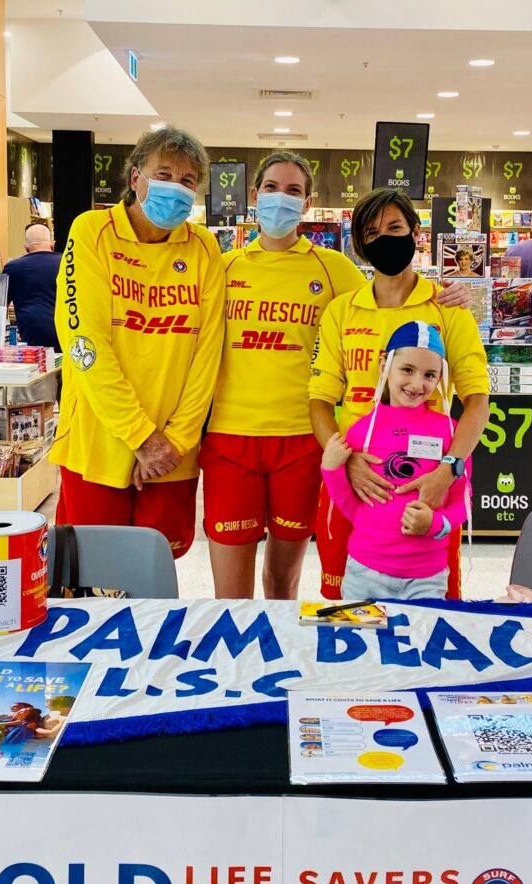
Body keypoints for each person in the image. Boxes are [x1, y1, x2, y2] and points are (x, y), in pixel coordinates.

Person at [202, 153, 476, 599]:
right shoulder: (223, 267)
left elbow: (395, 287)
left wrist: (454, 291)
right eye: (271, 188)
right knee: (242, 592)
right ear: (253, 196)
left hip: (309, 446)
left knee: (293, 583)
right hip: (242, 440)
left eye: (293, 191)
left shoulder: (336, 270)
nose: (280, 200)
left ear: (307, 203)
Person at [50, 125, 225, 559]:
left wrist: (175, 442)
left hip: (172, 453)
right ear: (135, 178)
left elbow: (208, 355)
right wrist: (142, 438)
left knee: (156, 569)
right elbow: (84, 343)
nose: (176, 187)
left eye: (187, 181)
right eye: (164, 173)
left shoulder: (204, 247)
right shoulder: (92, 231)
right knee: (91, 572)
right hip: (99, 441)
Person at [309, 186, 489, 600]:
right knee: (347, 610)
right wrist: (346, 462)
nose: (385, 239)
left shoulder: (448, 308)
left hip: (428, 488)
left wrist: (449, 470)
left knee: (433, 611)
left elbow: (477, 401)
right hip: (357, 483)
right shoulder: (341, 311)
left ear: (415, 232)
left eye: (395, 227)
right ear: (360, 245)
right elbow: (320, 399)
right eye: (372, 233)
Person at [320, 322, 469, 600]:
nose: (416, 384)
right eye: (407, 370)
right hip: (365, 573)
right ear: (384, 366)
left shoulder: (449, 432)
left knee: (421, 643)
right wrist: (331, 469)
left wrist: (436, 525)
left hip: (427, 578)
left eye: (429, 374)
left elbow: (463, 503)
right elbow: (352, 507)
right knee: (363, 643)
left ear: (440, 379)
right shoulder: (362, 432)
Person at [3, 223, 62, 349]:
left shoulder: (13, 268)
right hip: (66, 334)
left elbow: (1, 307)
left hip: (31, 341)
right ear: (52, 244)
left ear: (26, 247)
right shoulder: (67, 264)